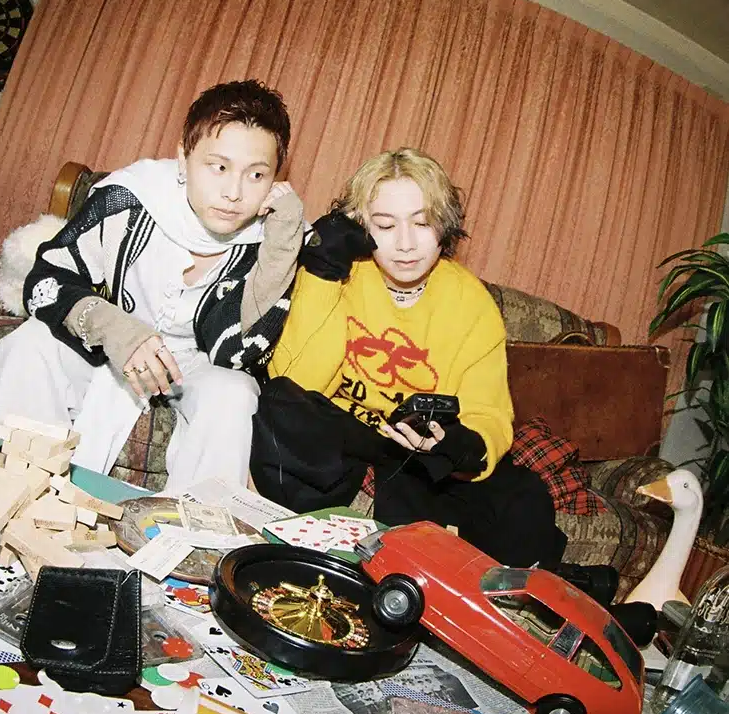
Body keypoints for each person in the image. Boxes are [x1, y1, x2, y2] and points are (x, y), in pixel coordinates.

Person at [250, 148, 614, 596]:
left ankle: (536, 586)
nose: (405, 243)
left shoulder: (470, 302)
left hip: (422, 449)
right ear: (360, 227)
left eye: (421, 223)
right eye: (385, 225)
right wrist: (324, 274)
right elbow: (295, 382)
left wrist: (457, 444)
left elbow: (489, 412)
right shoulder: (341, 272)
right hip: (347, 433)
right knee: (280, 408)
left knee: (522, 494)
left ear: (444, 226)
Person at [0, 79, 305, 491]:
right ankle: (22, 489)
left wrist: (282, 245)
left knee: (235, 393)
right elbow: (45, 280)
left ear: (275, 179)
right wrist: (115, 329)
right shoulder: (132, 198)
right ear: (184, 157)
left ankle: (191, 526)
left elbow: (236, 355)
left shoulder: (272, 238)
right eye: (219, 167)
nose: (233, 193)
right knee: (30, 343)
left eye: (256, 174)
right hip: (109, 346)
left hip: (197, 366)